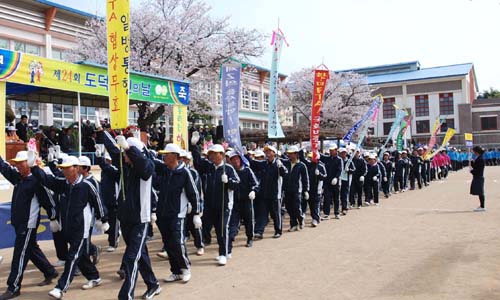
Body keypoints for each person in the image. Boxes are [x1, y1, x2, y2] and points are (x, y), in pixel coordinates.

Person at [31, 154, 107, 299]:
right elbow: (47, 180)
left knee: (72, 257)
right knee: (81, 255)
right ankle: (94, 277)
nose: (64, 171)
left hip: (81, 228)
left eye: (67, 168)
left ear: (77, 168)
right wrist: (34, 167)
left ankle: (60, 288)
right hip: (68, 227)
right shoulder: (63, 184)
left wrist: (103, 219)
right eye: (63, 168)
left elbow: (98, 201)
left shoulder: (86, 185)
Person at [102, 132, 161, 300]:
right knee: (139, 256)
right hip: (126, 219)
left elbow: (144, 167)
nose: (125, 156)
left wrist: (129, 148)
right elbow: (114, 152)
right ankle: (153, 284)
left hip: (140, 220)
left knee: (131, 258)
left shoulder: (146, 165)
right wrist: (102, 131)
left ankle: (126, 295)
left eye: (128, 153)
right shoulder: (125, 167)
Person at [0, 151, 59, 300]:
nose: (18, 166)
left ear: (29, 163)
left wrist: (53, 218)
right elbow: (4, 168)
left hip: (28, 224)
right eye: (17, 163)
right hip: (19, 223)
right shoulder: (18, 178)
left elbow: (49, 200)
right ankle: (49, 271)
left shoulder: (36, 181)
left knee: (19, 255)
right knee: (31, 248)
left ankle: (13, 287)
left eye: (21, 163)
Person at [190, 132, 240, 266]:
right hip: (210, 205)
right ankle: (211, 246)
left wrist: (228, 181)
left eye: (214, 153)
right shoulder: (209, 167)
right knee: (206, 228)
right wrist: (194, 146)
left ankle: (223, 253)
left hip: (224, 205)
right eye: (210, 153)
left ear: (222, 155)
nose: (211, 155)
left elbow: (236, 184)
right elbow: (198, 162)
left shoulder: (228, 168)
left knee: (222, 230)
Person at [154, 143, 201, 283]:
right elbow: (150, 159)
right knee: (168, 244)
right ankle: (175, 271)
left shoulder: (185, 172)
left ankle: (185, 268)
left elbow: (194, 193)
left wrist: (197, 213)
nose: (164, 157)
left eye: (166, 155)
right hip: (163, 214)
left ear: (174, 156)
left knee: (177, 242)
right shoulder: (165, 170)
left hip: (178, 214)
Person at [246, 145, 288, 239]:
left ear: (274, 153)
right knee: (262, 214)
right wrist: (244, 154)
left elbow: (285, 173)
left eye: (269, 151)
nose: (267, 153)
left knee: (275, 214)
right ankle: (259, 232)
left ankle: (278, 231)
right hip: (264, 194)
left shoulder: (278, 164)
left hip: (275, 194)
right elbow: (252, 162)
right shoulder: (263, 164)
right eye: (266, 152)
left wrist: (280, 166)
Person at [228, 151, 259, 248]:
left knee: (248, 220)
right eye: (233, 160)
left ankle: (250, 238)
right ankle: (230, 238)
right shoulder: (230, 172)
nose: (235, 161)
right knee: (233, 221)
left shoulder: (247, 170)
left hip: (246, 200)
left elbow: (255, 184)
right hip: (235, 201)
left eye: (237, 159)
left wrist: (253, 191)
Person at [180, 150, 205, 256]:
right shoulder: (176, 171)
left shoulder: (193, 173)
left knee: (196, 226)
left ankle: (200, 245)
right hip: (181, 205)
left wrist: (194, 205)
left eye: (184, 158)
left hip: (193, 205)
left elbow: (196, 191)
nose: (182, 160)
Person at [281, 146, 310, 231]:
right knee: (289, 208)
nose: (289, 155)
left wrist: (306, 190)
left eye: (291, 153)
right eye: (289, 153)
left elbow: (305, 179)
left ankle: (300, 220)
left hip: (297, 190)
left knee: (296, 207)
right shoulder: (286, 163)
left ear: (296, 154)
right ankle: (293, 224)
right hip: (287, 189)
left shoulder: (302, 166)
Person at [300, 151, 326, 227]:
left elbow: (325, 176)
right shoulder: (308, 165)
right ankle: (308, 216)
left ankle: (315, 219)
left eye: (312, 158)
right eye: (310, 157)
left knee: (315, 205)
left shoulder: (321, 166)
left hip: (317, 189)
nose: (310, 159)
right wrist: (301, 151)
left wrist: (319, 175)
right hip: (308, 188)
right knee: (308, 204)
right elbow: (302, 159)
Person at [320, 144, 342, 220]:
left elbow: (340, 170)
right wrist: (315, 148)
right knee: (327, 198)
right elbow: (320, 156)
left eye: (332, 150)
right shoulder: (327, 159)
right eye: (330, 150)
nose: (330, 151)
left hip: (335, 182)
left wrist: (336, 178)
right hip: (327, 182)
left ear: (336, 150)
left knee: (336, 198)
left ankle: (337, 213)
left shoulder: (339, 160)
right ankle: (326, 214)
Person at [470, 146, 486, 212]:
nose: (474, 153)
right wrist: (472, 163)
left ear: (477, 152)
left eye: (474, 151)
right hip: (478, 176)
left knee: (480, 192)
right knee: (479, 192)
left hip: (479, 176)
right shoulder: (479, 158)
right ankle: (481, 205)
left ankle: (482, 206)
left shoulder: (480, 159)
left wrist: (472, 171)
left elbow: (478, 170)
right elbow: (476, 166)